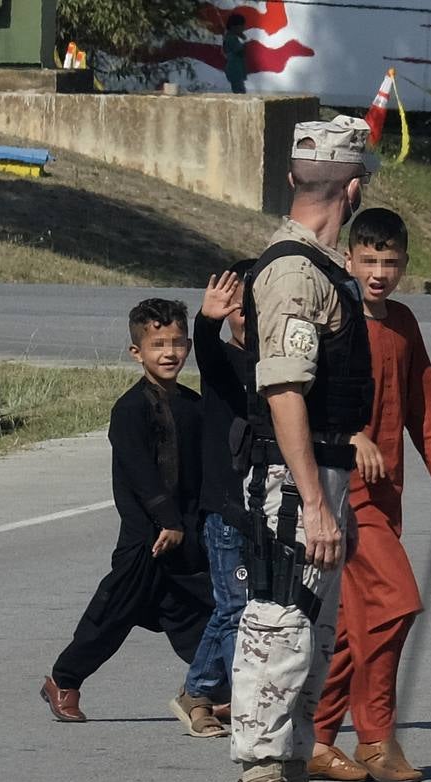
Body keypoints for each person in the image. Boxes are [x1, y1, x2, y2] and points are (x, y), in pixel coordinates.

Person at [228, 115, 378, 782]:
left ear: (293, 178)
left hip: (314, 473)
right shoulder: (296, 271)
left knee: (308, 646)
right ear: (352, 189)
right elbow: (284, 388)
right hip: (293, 483)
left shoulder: (311, 266)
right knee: (277, 640)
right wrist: (315, 500)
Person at [308, 208, 431, 782]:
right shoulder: (332, 316)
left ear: (404, 264)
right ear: (349, 259)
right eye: (369, 260)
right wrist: (349, 434)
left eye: (391, 262)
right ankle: (376, 740)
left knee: (361, 624)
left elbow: (425, 405)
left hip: (387, 499)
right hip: (338, 492)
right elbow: (300, 392)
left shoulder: (403, 323)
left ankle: (313, 737)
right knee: (398, 601)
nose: (379, 272)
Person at [40, 298, 214, 723]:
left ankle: (209, 691)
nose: (169, 353)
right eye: (158, 345)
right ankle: (63, 680)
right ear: (137, 352)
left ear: (189, 346)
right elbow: (139, 474)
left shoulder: (193, 406)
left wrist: (191, 524)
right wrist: (166, 521)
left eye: (176, 343)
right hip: (145, 540)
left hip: (187, 538)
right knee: (111, 617)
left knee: (203, 617)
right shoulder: (130, 410)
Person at [173, 261, 256, 739]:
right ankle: (245, 704)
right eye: (238, 309)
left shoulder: (280, 363)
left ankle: (197, 692)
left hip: (265, 507)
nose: (246, 316)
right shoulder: (221, 358)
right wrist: (206, 320)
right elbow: (204, 345)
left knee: (241, 608)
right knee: (235, 609)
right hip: (224, 507)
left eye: (255, 308)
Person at [224, 14, 248, 94]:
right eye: (241, 27)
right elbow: (239, 50)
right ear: (234, 27)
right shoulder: (230, 38)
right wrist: (243, 40)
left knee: (240, 90)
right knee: (240, 92)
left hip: (237, 70)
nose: (243, 29)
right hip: (235, 70)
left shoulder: (232, 37)